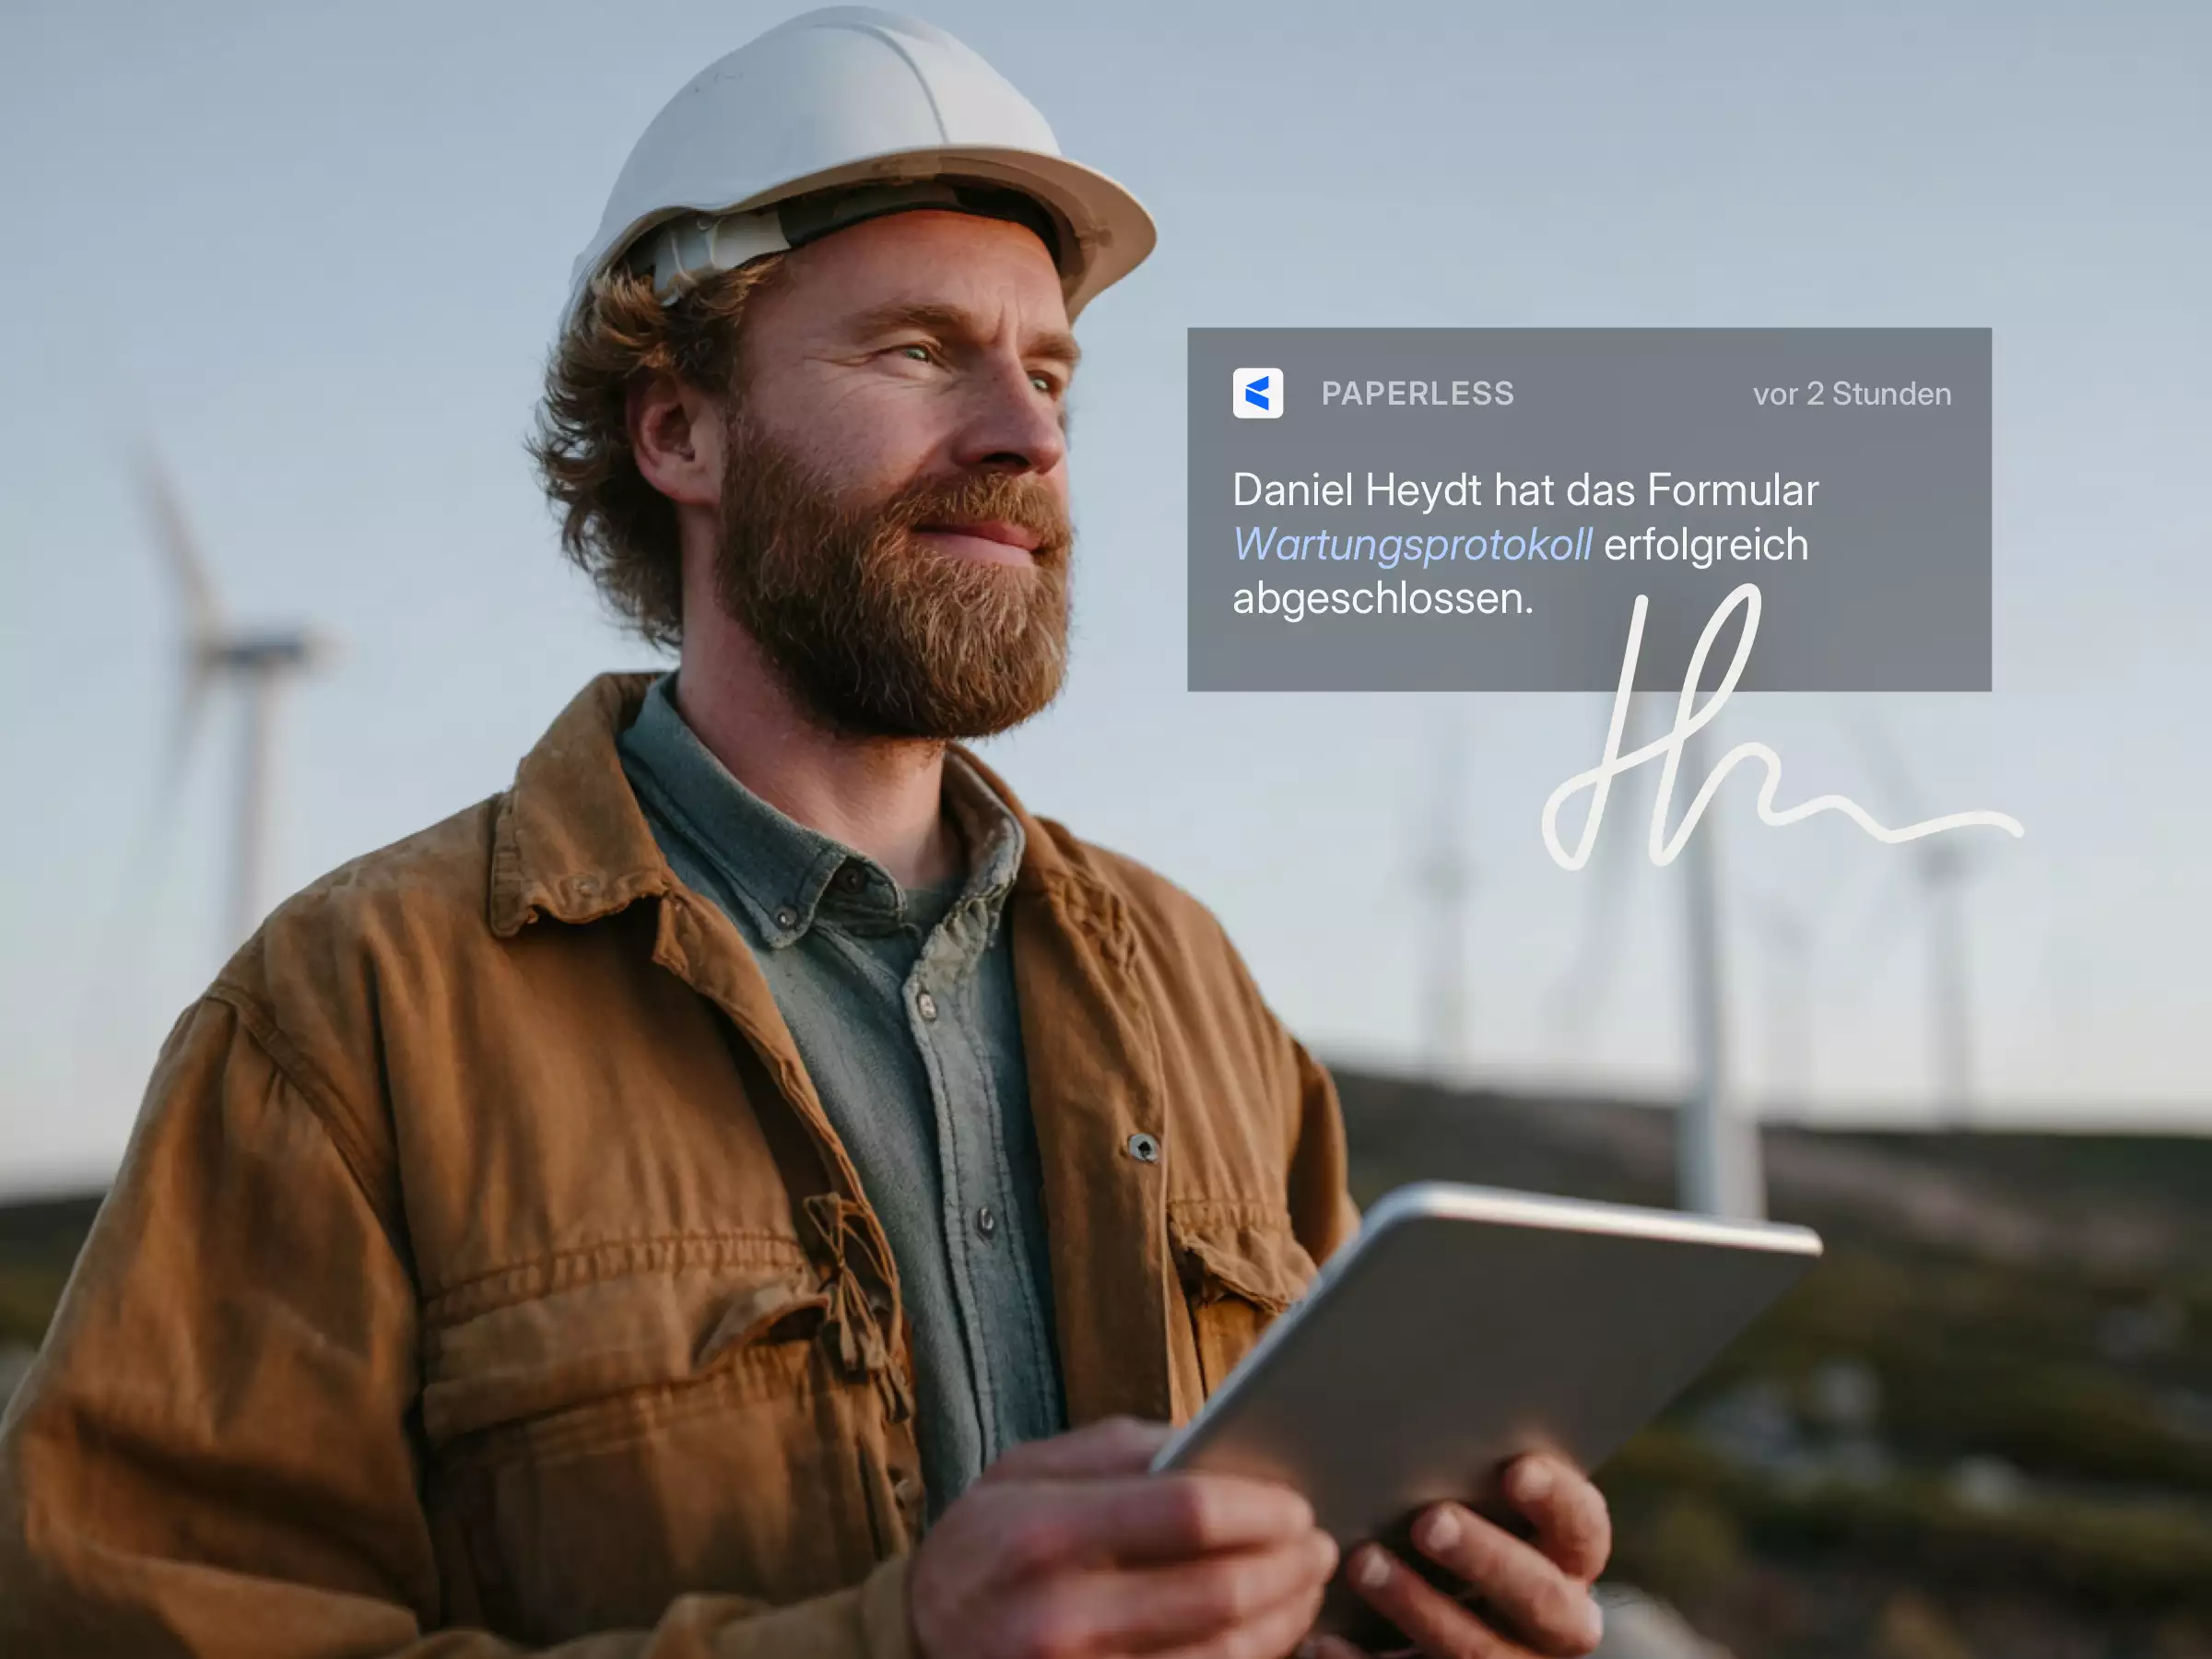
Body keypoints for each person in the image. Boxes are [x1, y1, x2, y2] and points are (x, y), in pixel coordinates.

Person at [0, 10, 1611, 1656]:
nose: (1030, 434)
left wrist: (1418, 1611)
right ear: (679, 431)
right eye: (918, 352)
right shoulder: (349, 1015)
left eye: (1051, 371)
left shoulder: (1199, 989)